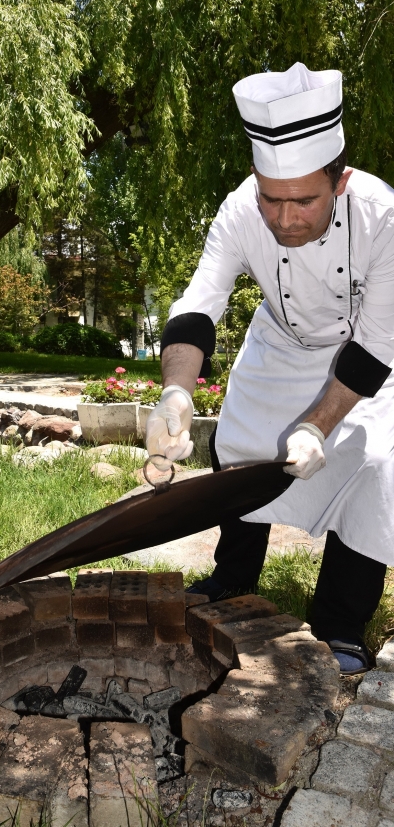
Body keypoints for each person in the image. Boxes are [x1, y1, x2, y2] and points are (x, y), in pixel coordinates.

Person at [145, 62, 394, 676]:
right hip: (279, 345)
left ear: (340, 183)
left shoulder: (383, 217)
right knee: (241, 448)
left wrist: (318, 425)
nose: (284, 219)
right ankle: (233, 579)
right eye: (271, 199)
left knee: (379, 471)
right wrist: (175, 394)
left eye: (304, 200)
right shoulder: (238, 211)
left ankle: (340, 621)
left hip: (367, 355)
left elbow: (375, 345)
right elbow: (198, 307)